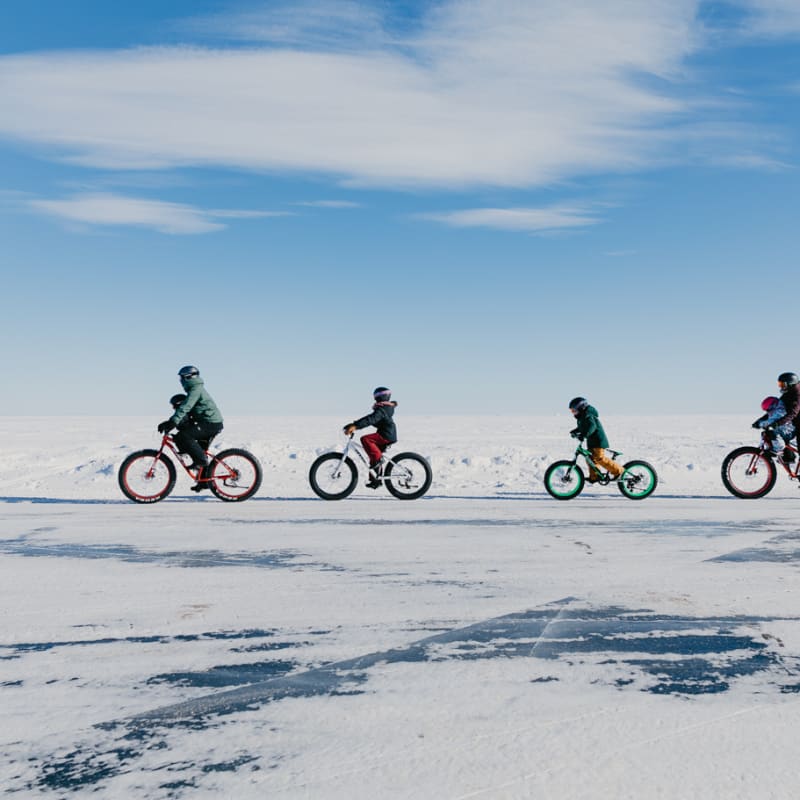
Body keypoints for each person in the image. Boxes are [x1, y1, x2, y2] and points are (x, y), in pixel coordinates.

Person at [157, 366, 224, 491]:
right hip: (207, 422)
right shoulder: (194, 389)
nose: (180, 381)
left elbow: (185, 407)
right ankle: (204, 482)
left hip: (210, 423)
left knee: (185, 437)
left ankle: (200, 462)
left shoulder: (195, 390)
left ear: (188, 377)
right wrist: (172, 422)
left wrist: (172, 422)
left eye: (181, 378)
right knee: (198, 448)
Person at [343, 387, 398, 489]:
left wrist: (355, 426)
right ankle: (375, 480)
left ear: (380, 396)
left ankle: (378, 461)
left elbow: (371, 419)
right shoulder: (384, 408)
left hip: (386, 435)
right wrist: (354, 424)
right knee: (373, 456)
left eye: (376, 396)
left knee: (366, 440)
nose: (374, 398)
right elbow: (370, 418)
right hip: (386, 434)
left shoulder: (382, 409)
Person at [568, 396, 624, 482]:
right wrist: (575, 431)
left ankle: (619, 472)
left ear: (581, 408)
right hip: (592, 442)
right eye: (572, 411)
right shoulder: (582, 417)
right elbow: (582, 427)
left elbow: (592, 427)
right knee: (590, 459)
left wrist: (584, 435)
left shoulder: (588, 415)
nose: (573, 413)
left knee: (599, 458)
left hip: (598, 441)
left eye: (574, 410)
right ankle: (595, 477)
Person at [767, 372, 800, 465]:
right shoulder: (788, 393)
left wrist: (777, 423)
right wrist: (761, 421)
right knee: (780, 434)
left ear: (790, 384)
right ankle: (789, 458)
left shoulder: (797, 395)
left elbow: (793, 413)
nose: (781, 387)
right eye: (779, 384)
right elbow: (777, 408)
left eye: (782, 384)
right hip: (794, 423)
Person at [752, 395, 796, 461]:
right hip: (784, 430)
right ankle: (786, 455)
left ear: (773, 405)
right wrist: (758, 422)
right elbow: (767, 418)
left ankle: (778, 449)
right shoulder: (774, 410)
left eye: (768, 409)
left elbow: (771, 421)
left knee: (772, 433)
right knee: (767, 433)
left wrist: (759, 424)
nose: (767, 411)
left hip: (788, 431)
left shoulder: (780, 410)